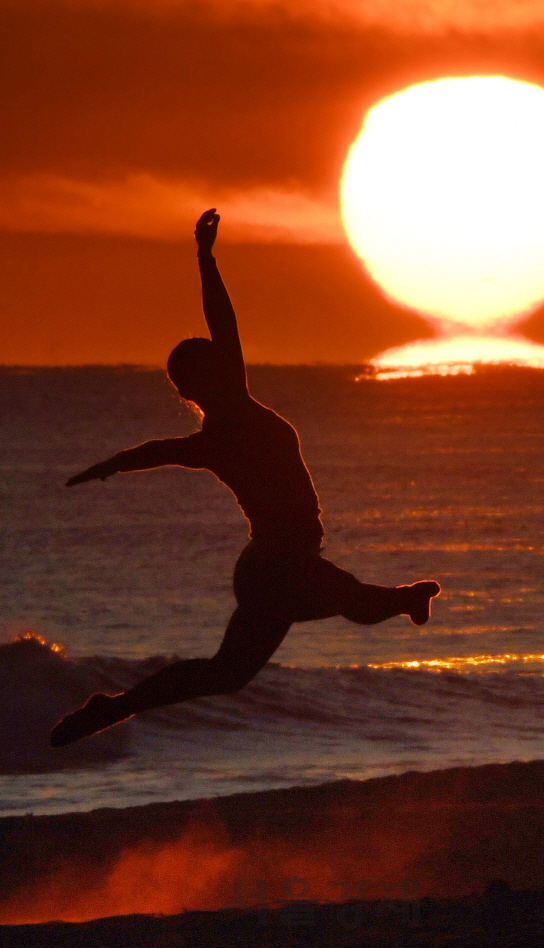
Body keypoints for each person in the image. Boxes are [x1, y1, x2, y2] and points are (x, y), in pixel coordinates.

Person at [50, 209, 440, 747]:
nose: (223, 358)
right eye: (210, 362)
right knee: (346, 601)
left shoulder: (216, 433)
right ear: (197, 385)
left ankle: (111, 708)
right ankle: (404, 599)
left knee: (232, 670)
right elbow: (215, 336)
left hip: (273, 563)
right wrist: (204, 258)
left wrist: (112, 465)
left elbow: (163, 442)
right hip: (277, 563)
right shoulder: (228, 419)